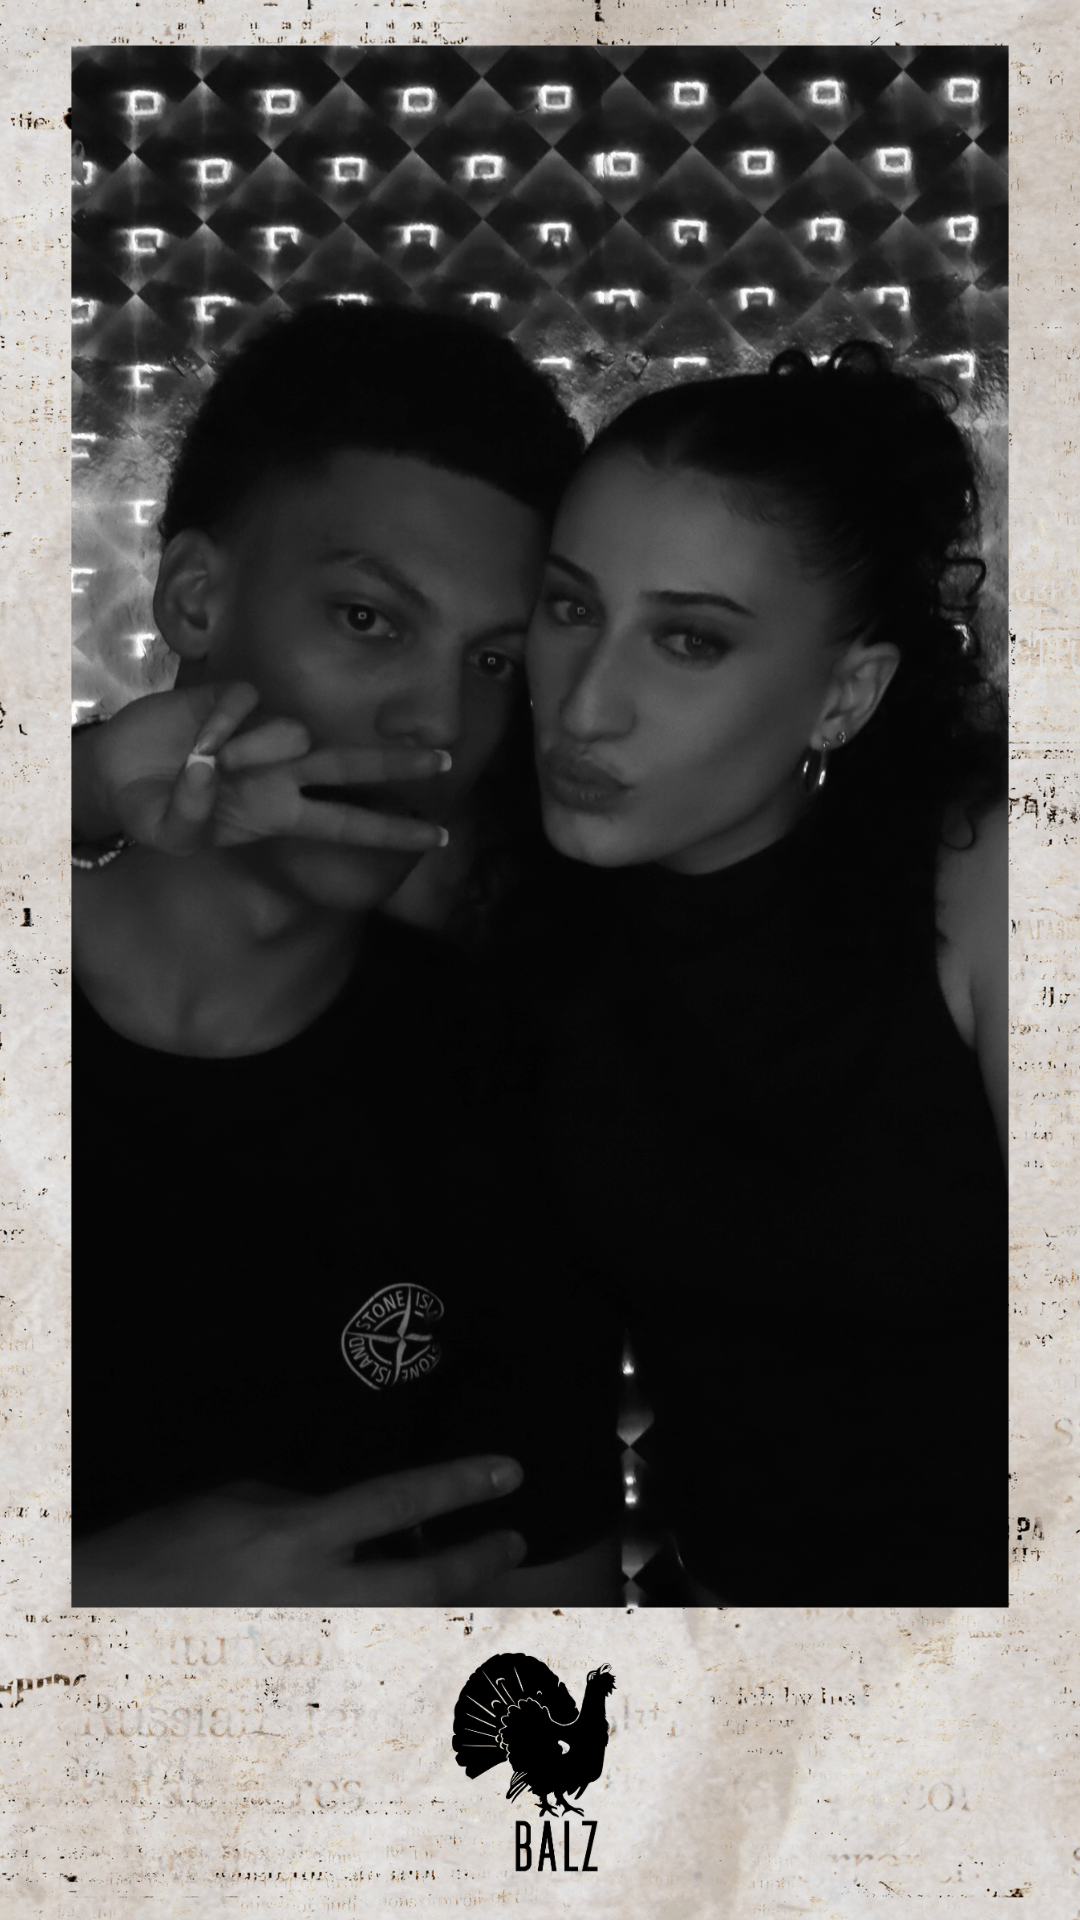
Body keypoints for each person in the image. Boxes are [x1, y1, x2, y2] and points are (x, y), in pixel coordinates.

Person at [71, 301, 626, 1606]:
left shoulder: (505, 1094)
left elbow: (555, 1643)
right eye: (370, 619)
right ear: (195, 596)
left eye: (493, 661)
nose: (436, 722)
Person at [518, 342, 1007, 1604]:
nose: (587, 706)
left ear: (846, 695)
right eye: (570, 609)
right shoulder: (518, 902)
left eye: (688, 640)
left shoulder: (985, 886)